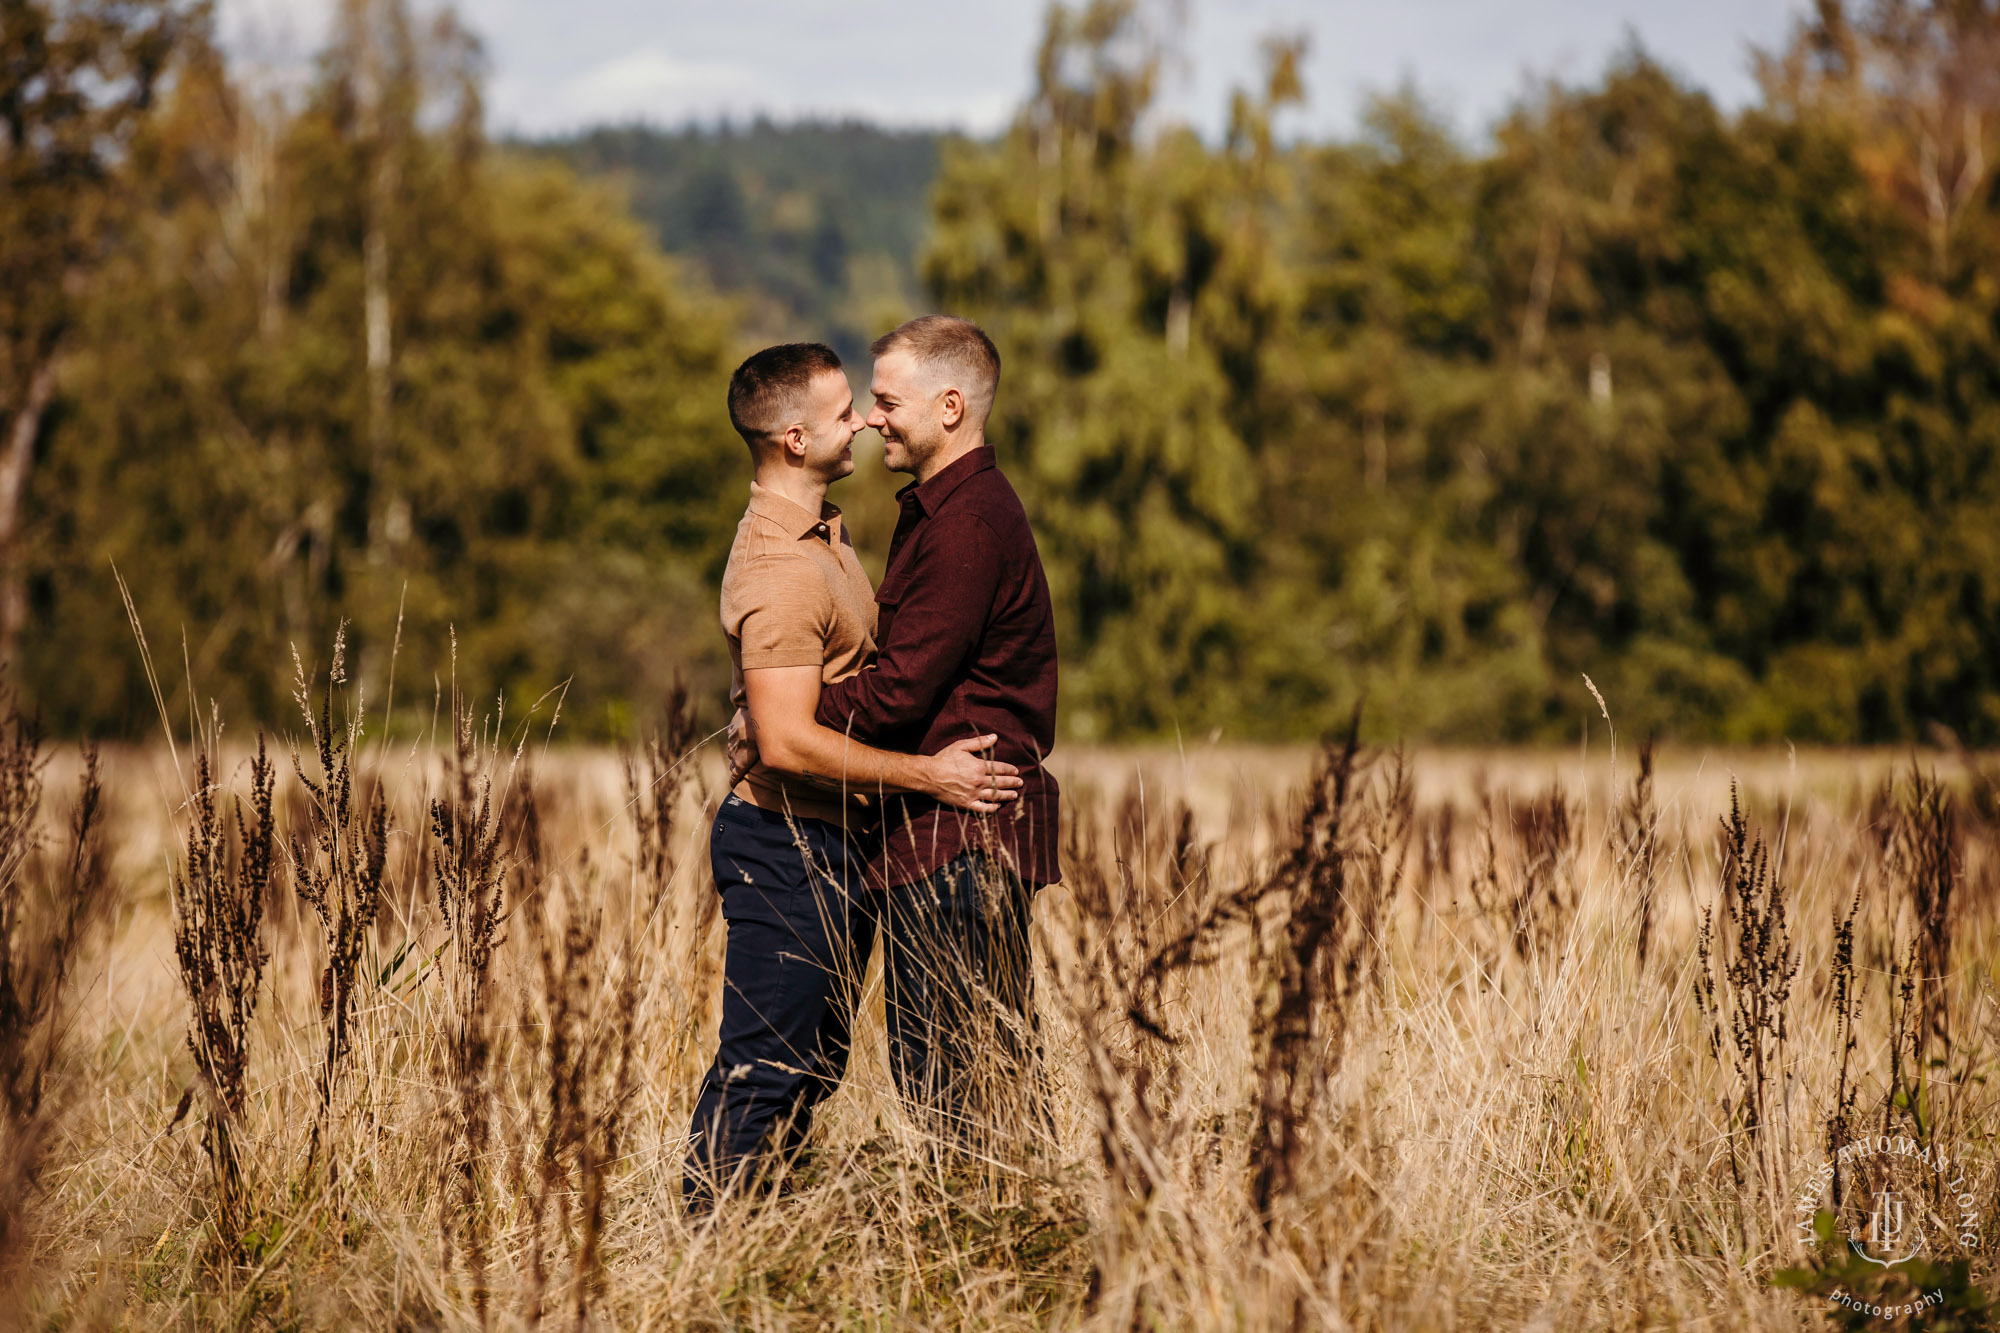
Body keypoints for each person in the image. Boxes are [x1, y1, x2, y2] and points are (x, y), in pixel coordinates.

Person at [683, 341, 1022, 1211]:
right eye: (844, 414)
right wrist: (929, 777)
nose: (865, 421)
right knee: (766, 1066)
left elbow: (804, 699)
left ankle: (769, 1236)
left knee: (814, 1062)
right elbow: (789, 742)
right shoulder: (781, 566)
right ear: (795, 439)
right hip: (786, 845)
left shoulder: (823, 533)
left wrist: (763, 712)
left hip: (834, 841)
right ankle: (707, 1247)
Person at [814, 315, 1062, 1146]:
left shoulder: (967, 525)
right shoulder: (941, 509)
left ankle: (1010, 1254)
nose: (872, 416)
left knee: (963, 1095)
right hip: (939, 834)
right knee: (965, 1079)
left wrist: (781, 710)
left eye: (887, 399)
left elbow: (897, 694)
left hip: (961, 840)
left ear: (950, 406)